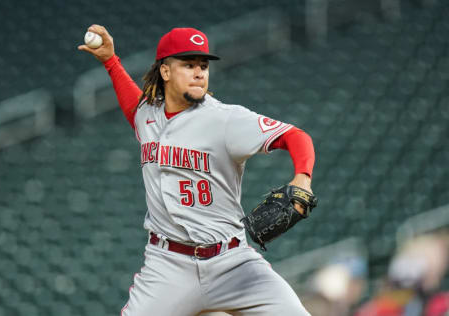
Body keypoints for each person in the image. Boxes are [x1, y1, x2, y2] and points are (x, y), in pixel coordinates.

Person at [79, 24, 316, 316]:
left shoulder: (226, 120)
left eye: (203, 65)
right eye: (188, 64)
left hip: (231, 262)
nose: (199, 72)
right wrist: (111, 62)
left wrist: (302, 179)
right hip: (167, 266)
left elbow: (296, 137)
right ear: (165, 71)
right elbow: (134, 109)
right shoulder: (148, 115)